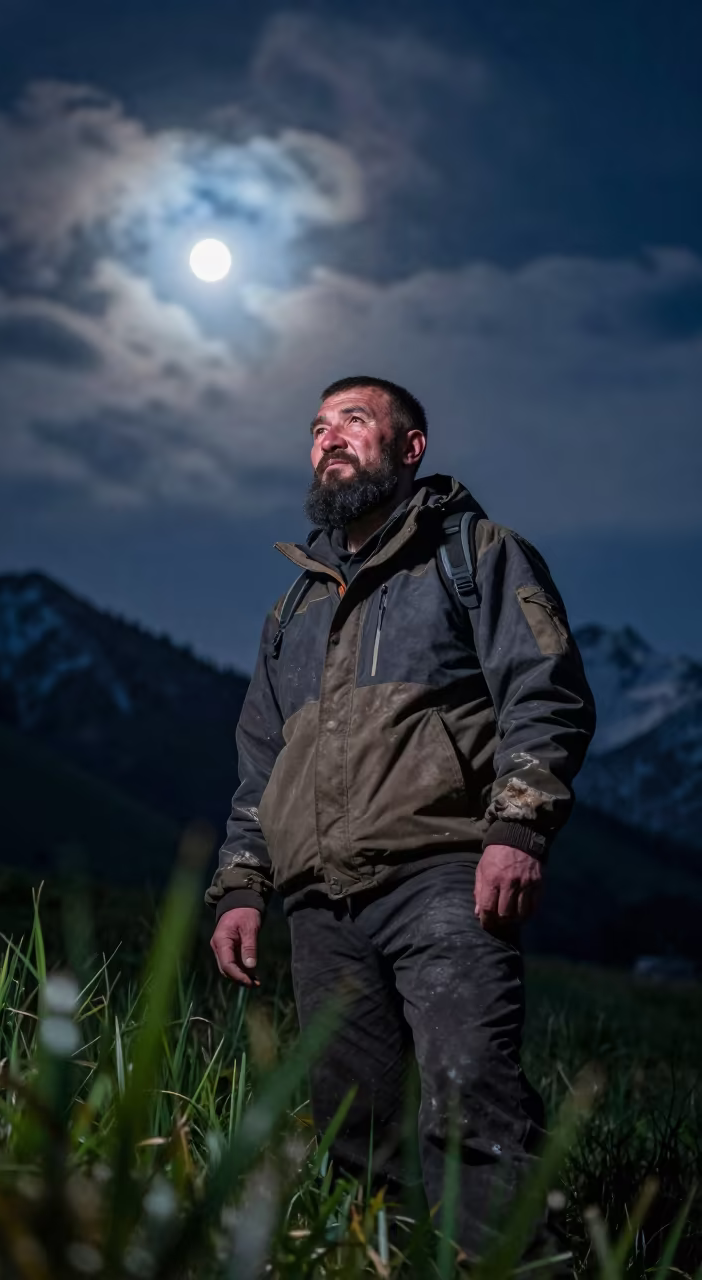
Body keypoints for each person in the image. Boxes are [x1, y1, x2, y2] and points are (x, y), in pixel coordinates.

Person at [206, 375, 596, 1258]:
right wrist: (241, 887)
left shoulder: (477, 555)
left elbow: (546, 695)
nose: (329, 438)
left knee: (471, 1100)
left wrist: (518, 829)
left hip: (442, 877)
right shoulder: (293, 610)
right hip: (319, 904)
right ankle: (375, 1268)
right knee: (352, 1129)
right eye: (318, 427)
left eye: (354, 421)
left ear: (410, 448)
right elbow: (260, 767)